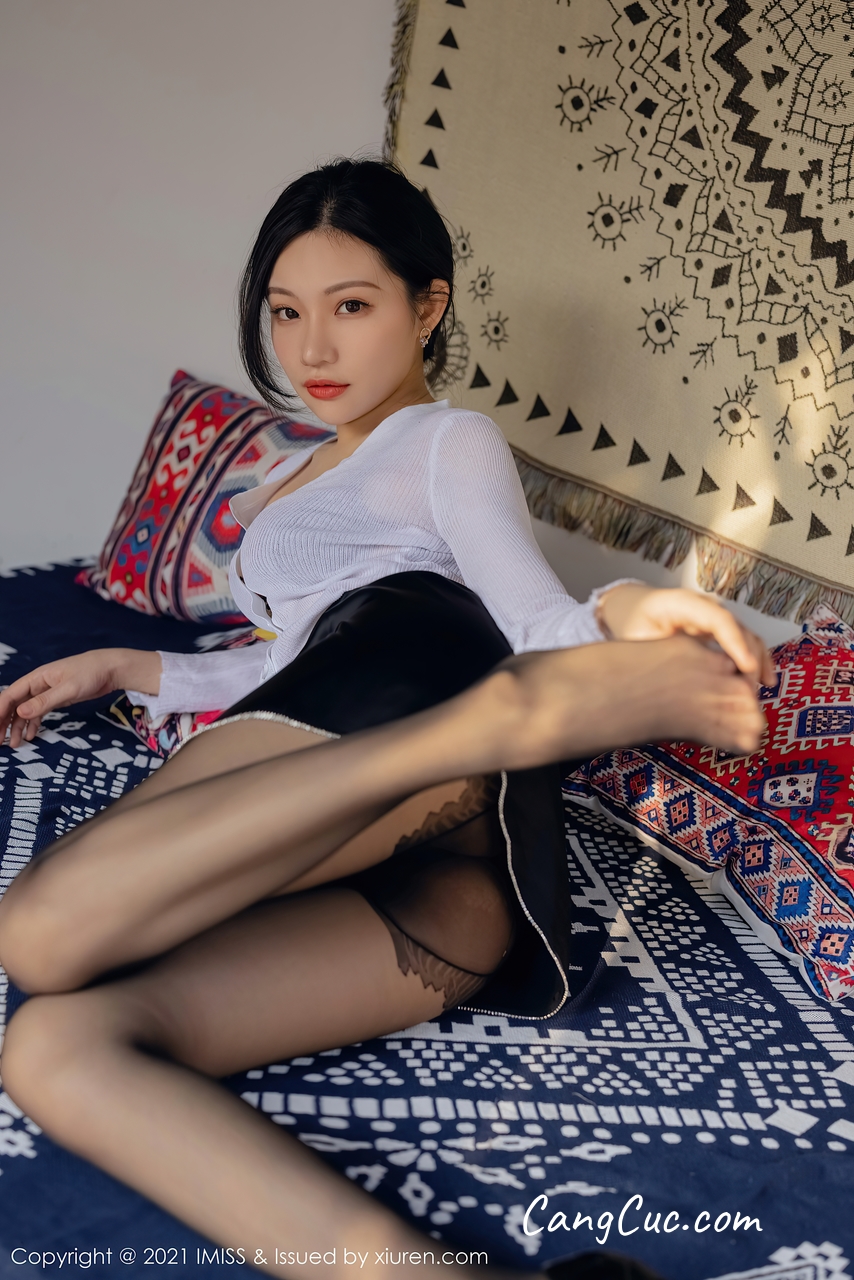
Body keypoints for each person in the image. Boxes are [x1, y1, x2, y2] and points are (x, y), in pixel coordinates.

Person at [0, 159, 772, 1279]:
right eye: (286, 313)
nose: (311, 349)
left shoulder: (445, 440)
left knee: (38, 932)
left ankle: (480, 728)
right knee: (56, 1043)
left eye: (351, 307)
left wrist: (621, 606)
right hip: (450, 888)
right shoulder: (308, 463)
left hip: (411, 692)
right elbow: (289, 662)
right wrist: (128, 664)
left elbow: (534, 622)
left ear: (428, 305)